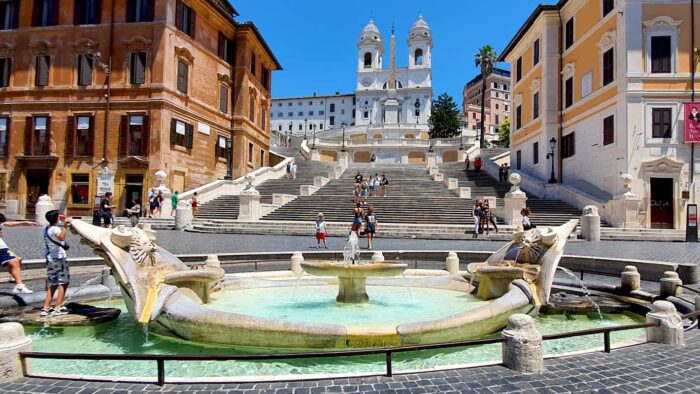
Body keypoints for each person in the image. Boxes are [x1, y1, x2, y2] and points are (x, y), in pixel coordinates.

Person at [40, 210, 71, 316]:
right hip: (58, 258)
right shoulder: (55, 229)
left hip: (50, 258)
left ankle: (46, 307)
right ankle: (58, 307)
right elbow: (61, 237)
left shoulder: (46, 228)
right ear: (56, 218)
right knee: (64, 282)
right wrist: (65, 226)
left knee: (53, 283)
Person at [0, 213, 38, 294]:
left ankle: (15, 281)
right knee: (15, 261)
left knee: (16, 260)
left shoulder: (1, 223)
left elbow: (9, 224)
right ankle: (19, 286)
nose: (1, 225)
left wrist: (25, 222)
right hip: (1, 248)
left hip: (3, 247)